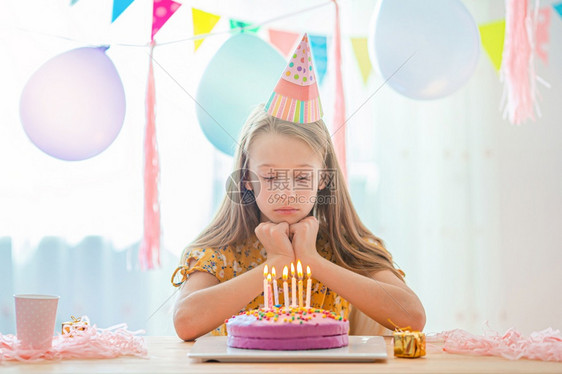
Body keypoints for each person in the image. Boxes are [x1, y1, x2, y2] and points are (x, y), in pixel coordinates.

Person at [171, 34, 425, 341]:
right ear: (247, 179)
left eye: (302, 178)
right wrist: (274, 265)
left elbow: (412, 317)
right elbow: (185, 322)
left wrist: (313, 262)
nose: (287, 192)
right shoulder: (221, 252)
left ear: (323, 179)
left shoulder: (343, 247)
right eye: (271, 177)